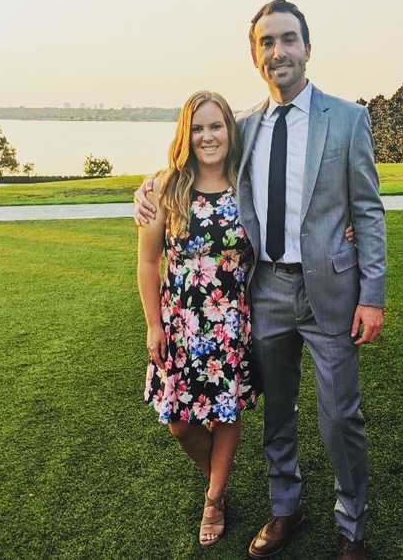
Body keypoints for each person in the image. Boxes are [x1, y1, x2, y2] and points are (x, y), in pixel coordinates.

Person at [135, 0, 386, 560]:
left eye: (288, 39)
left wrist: (372, 295)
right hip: (264, 291)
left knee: (340, 414)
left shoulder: (348, 119)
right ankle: (285, 507)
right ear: (255, 56)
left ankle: (352, 527)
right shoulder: (244, 126)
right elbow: (196, 165)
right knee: (277, 412)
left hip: (331, 291)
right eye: (266, 42)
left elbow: (368, 212)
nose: (278, 51)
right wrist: (147, 189)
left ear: (307, 48)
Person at [137, 90, 259, 547]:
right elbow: (148, 261)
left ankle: (215, 497)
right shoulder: (165, 189)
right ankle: (218, 474)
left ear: (230, 131)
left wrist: (344, 225)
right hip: (180, 325)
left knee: (225, 412)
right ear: (185, 135)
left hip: (230, 325)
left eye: (216, 126)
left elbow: (298, 217)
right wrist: (154, 324)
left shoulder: (249, 186)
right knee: (180, 423)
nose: (208, 137)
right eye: (198, 128)